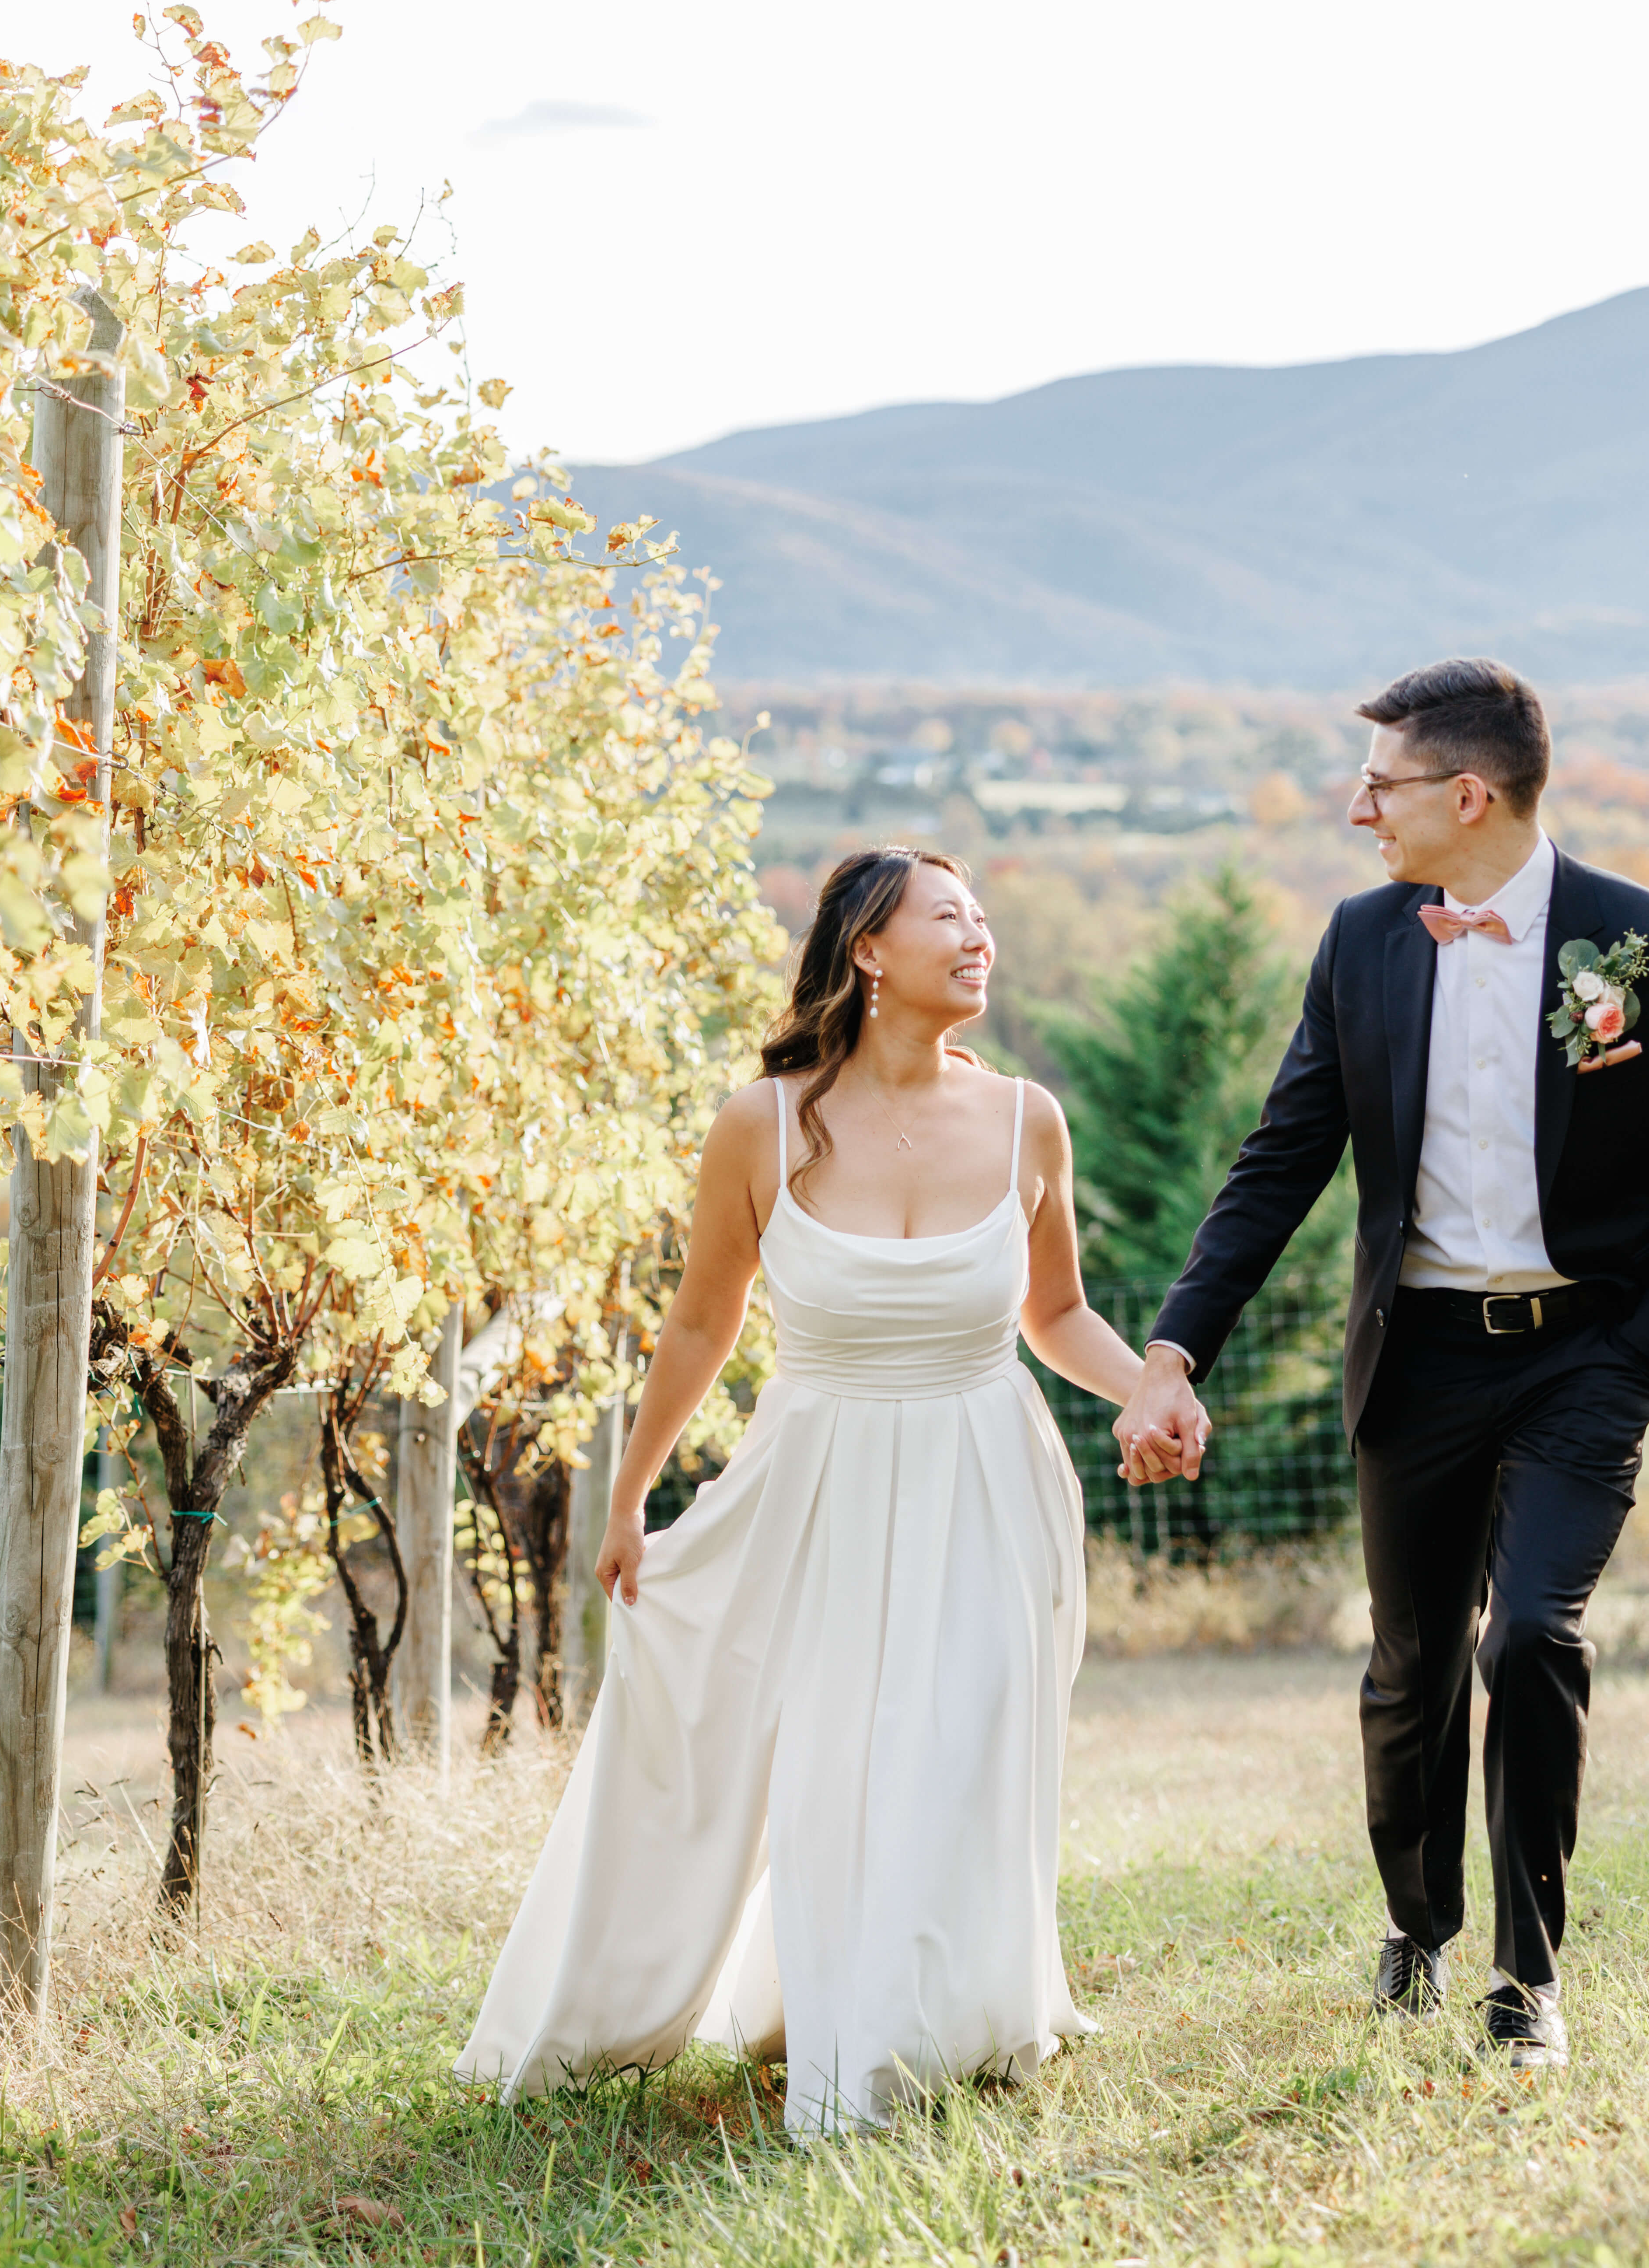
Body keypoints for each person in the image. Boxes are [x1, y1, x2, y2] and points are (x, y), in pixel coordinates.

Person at [1114, 657, 1649, 2065]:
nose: (1363, 809)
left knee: (1532, 1634)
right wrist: (1174, 1347)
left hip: (1585, 1354)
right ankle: (1417, 1924)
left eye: (1383, 783)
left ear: (1467, 793)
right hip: (1415, 1356)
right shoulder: (1360, 943)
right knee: (1413, 1670)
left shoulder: (1645, 942)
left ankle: (1528, 1978)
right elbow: (1282, 1160)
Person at [457, 846, 1177, 2138]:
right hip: (820, 1485)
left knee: (965, 1739)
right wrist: (630, 1500)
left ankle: (951, 2016)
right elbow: (698, 1326)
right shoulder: (764, 1122)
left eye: (984, 920)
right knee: (849, 1755)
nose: (980, 939)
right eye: (949, 919)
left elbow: (1056, 1312)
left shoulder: (1029, 1119)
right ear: (866, 952)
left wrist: (1146, 1393)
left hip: (986, 1475)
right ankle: (852, 2024)